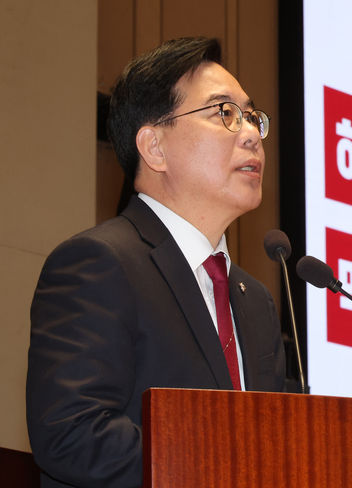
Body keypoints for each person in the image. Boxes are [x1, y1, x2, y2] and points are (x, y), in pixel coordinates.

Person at [26, 37, 285, 488]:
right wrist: (223, 465)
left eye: (251, 117)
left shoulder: (256, 301)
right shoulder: (99, 264)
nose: (250, 134)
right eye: (224, 113)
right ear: (154, 148)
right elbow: (72, 433)